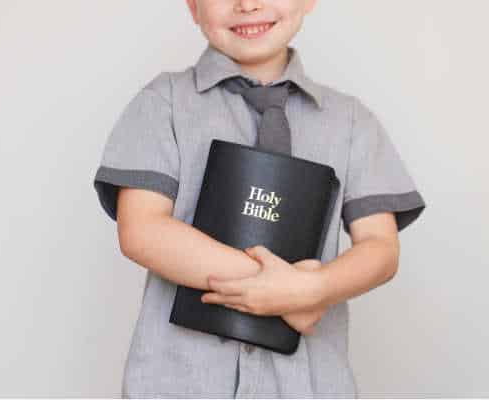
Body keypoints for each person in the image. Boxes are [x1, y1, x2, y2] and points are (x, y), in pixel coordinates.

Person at [93, 0, 427, 397]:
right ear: (192, 6)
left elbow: (381, 248)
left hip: (308, 385)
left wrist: (315, 290)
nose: (248, 4)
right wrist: (282, 290)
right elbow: (143, 230)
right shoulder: (162, 103)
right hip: (180, 383)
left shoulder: (352, 122)